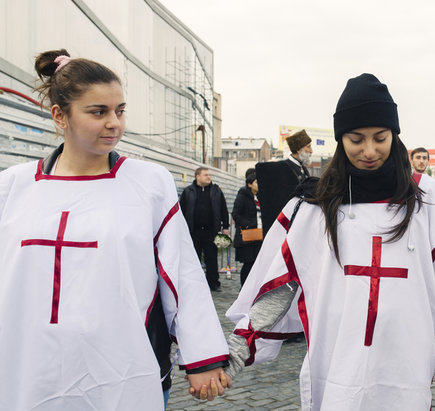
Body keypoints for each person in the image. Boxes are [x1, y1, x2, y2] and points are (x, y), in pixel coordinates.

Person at [224, 73, 435, 409]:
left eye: (380, 137)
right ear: (340, 140)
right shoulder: (316, 204)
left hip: (405, 362)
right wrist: (237, 348)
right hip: (337, 360)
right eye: (356, 139)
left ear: (395, 135)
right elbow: (282, 283)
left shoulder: (424, 198)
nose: (370, 150)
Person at [0, 49, 230, 410]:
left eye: (119, 110)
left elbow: (180, 272)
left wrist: (203, 356)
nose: (115, 123)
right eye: (99, 112)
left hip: (121, 367)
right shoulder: (13, 185)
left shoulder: (148, 183)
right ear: (60, 115)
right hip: (27, 368)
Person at [179, 167, 230, 292]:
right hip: (193, 232)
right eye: (205, 175)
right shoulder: (188, 192)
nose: (208, 177)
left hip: (211, 231)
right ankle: (192, 284)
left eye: (209, 175)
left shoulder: (216, 191)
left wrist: (226, 227)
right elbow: (181, 211)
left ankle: (213, 284)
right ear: (197, 176)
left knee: (211, 259)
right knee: (193, 259)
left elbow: (223, 209)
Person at [232, 172, 262, 285]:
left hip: (260, 235)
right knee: (248, 264)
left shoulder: (260, 196)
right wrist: (249, 224)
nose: (259, 185)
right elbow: (235, 214)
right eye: (256, 182)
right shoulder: (243, 195)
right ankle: (244, 287)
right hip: (248, 236)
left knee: (258, 263)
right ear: (249, 184)